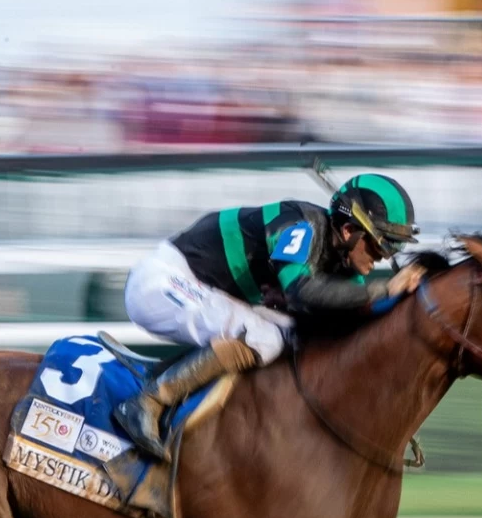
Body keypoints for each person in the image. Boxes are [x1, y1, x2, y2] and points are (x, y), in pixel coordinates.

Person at [114, 173, 421, 460]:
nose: (384, 257)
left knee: (292, 336)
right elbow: (302, 292)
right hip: (162, 281)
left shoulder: (343, 266)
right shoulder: (300, 224)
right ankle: (148, 401)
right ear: (348, 230)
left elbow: (353, 326)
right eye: (381, 245)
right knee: (265, 337)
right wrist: (384, 290)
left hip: (206, 291)